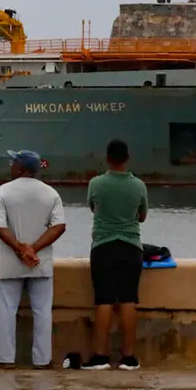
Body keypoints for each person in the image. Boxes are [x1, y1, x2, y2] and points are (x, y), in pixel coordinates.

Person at [0, 149, 66, 370]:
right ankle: (42, 360)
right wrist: (33, 249)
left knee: (6, 310)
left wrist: (20, 249)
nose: (10, 165)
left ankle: (5, 359)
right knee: (42, 312)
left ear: (20, 168)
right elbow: (59, 226)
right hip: (40, 263)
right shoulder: (51, 194)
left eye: (13, 162)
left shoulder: (4, 192)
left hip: (9, 264)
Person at [82, 139, 147, 370]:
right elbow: (142, 216)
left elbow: (93, 208)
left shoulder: (96, 183)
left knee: (104, 300)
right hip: (131, 246)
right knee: (129, 299)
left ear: (107, 158)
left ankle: (101, 356)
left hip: (103, 246)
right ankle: (128, 357)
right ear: (127, 158)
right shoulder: (139, 185)